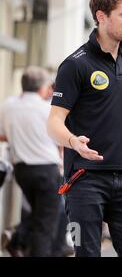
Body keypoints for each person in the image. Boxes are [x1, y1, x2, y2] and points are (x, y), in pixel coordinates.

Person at [47, 0, 122, 257]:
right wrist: (72, 141)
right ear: (102, 17)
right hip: (85, 180)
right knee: (87, 254)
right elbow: (54, 121)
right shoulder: (75, 64)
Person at [0, 67, 63, 256]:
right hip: (47, 171)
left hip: (22, 171)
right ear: (43, 88)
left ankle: (17, 238)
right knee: (46, 225)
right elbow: (60, 139)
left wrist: (20, 137)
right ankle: (21, 241)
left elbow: (3, 135)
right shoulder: (48, 109)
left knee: (39, 214)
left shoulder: (8, 105)